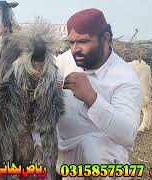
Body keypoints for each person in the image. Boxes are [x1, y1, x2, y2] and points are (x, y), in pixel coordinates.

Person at [54, 8, 142, 179]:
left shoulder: (124, 77)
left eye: (83, 41)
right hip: (64, 152)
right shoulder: (64, 61)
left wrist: (92, 98)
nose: (75, 49)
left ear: (105, 38)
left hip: (100, 158)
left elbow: (127, 135)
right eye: (71, 43)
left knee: (94, 147)